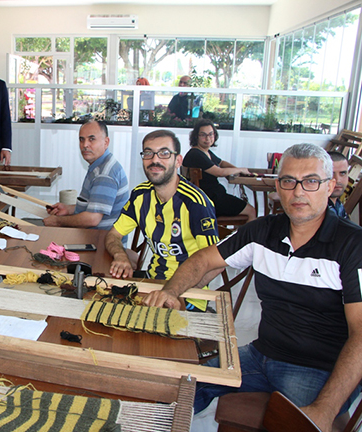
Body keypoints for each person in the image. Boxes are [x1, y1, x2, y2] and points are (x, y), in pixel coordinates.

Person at [144, 143, 362, 431]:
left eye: (310, 181)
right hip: (260, 355)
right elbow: (203, 260)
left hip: (317, 368)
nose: (298, 192)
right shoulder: (263, 231)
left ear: (330, 185)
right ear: (278, 186)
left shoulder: (352, 245)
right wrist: (171, 291)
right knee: (174, 386)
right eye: (289, 181)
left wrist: (324, 410)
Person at [105, 129, 219, 311]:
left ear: (178, 161)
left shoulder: (196, 203)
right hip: (152, 282)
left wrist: (177, 294)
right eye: (148, 153)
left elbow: (217, 263)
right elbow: (113, 235)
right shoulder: (140, 195)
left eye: (164, 153)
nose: (155, 160)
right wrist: (120, 256)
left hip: (188, 293)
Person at [43, 120, 129, 230]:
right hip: (96, 235)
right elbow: (93, 207)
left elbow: (92, 219)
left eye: (91, 139)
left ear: (106, 142)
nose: (85, 145)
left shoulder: (105, 174)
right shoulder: (100, 165)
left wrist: (58, 221)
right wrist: (69, 209)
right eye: (81, 139)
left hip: (102, 239)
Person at [183, 119, 256, 222]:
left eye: (210, 134)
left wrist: (236, 170)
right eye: (203, 135)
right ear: (196, 137)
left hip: (212, 198)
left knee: (243, 206)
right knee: (251, 211)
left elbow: (221, 163)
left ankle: (239, 232)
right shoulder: (196, 154)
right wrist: (241, 169)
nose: (207, 138)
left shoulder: (204, 152)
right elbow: (219, 172)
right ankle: (243, 233)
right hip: (209, 201)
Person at [328, 151, 349, 220]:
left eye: (342, 173)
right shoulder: (316, 210)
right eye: (331, 174)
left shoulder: (338, 205)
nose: (338, 180)